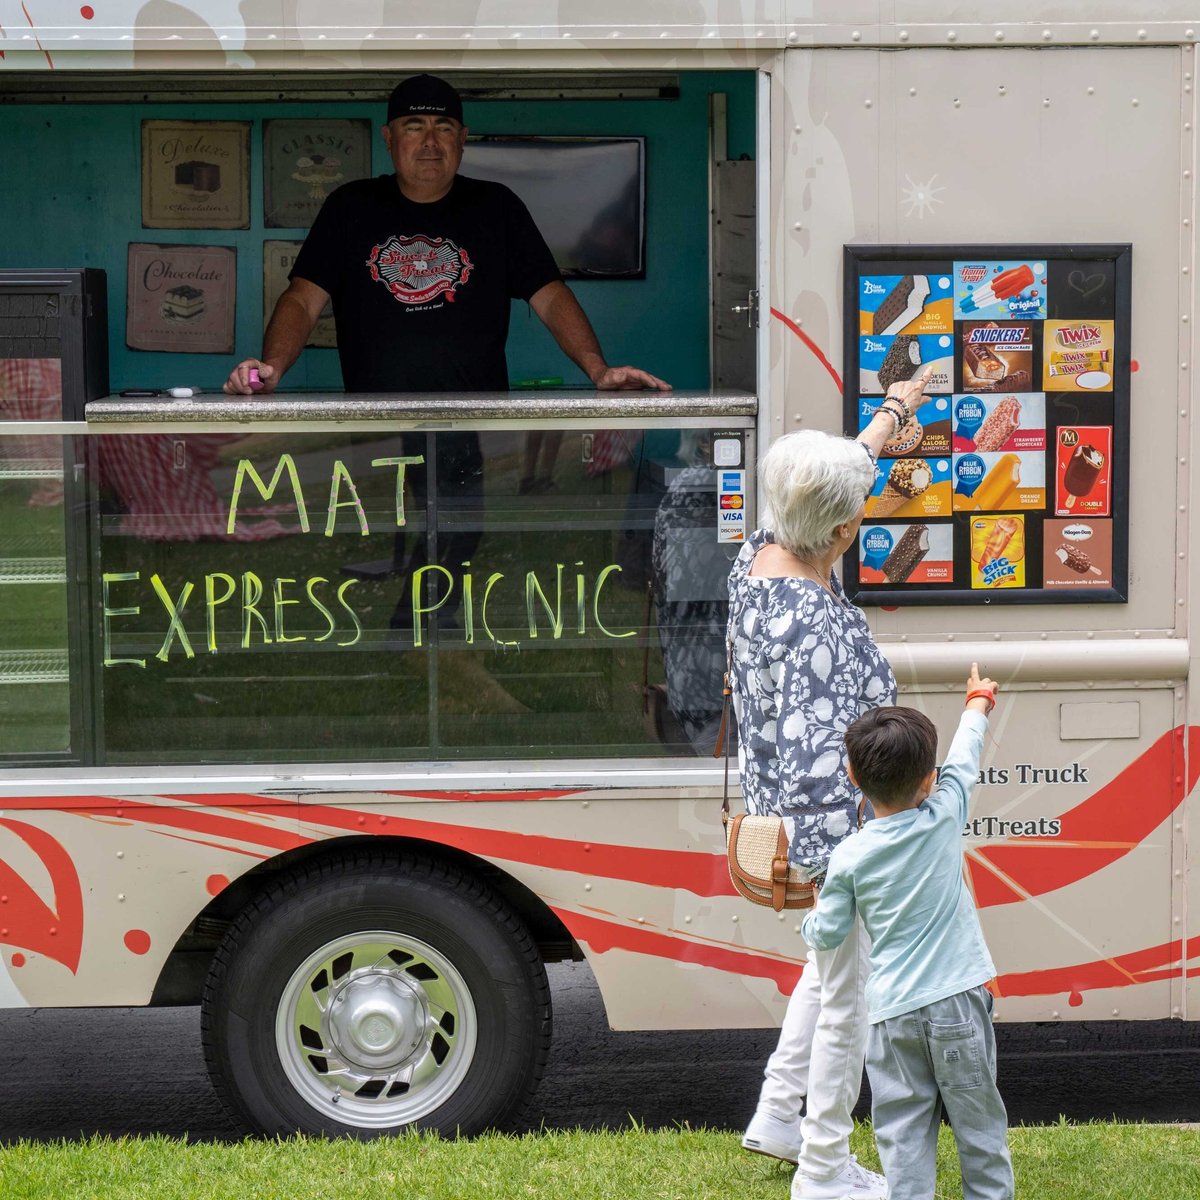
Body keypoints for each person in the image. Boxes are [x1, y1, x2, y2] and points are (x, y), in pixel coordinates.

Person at [731, 366, 934, 1200]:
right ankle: (822, 1168)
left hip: (798, 822)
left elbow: (829, 475)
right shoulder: (812, 620)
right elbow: (823, 767)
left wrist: (893, 413)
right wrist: (851, 866)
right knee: (847, 997)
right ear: (844, 534)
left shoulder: (762, 556)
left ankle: (780, 1113)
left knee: (826, 974)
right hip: (833, 840)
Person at [224, 72, 668, 398]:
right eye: (414, 127)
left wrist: (597, 370)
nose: (430, 142)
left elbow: (550, 296)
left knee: (463, 527)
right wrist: (272, 369)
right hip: (374, 414)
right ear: (389, 138)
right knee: (381, 525)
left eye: (444, 128)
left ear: (463, 139)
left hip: (476, 415)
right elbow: (303, 299)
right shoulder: (350, 206)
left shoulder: (497, 206)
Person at [803, 667, 1015, 1200]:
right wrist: (976, 703)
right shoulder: (944, 814)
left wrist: (811, 909)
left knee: (903, 1133)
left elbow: (826, 934)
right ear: (928, 780)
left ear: (852, 775)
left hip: (892, 1014)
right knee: (979, 1126)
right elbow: (965, 760)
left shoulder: (848, 856)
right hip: (957, 1005)